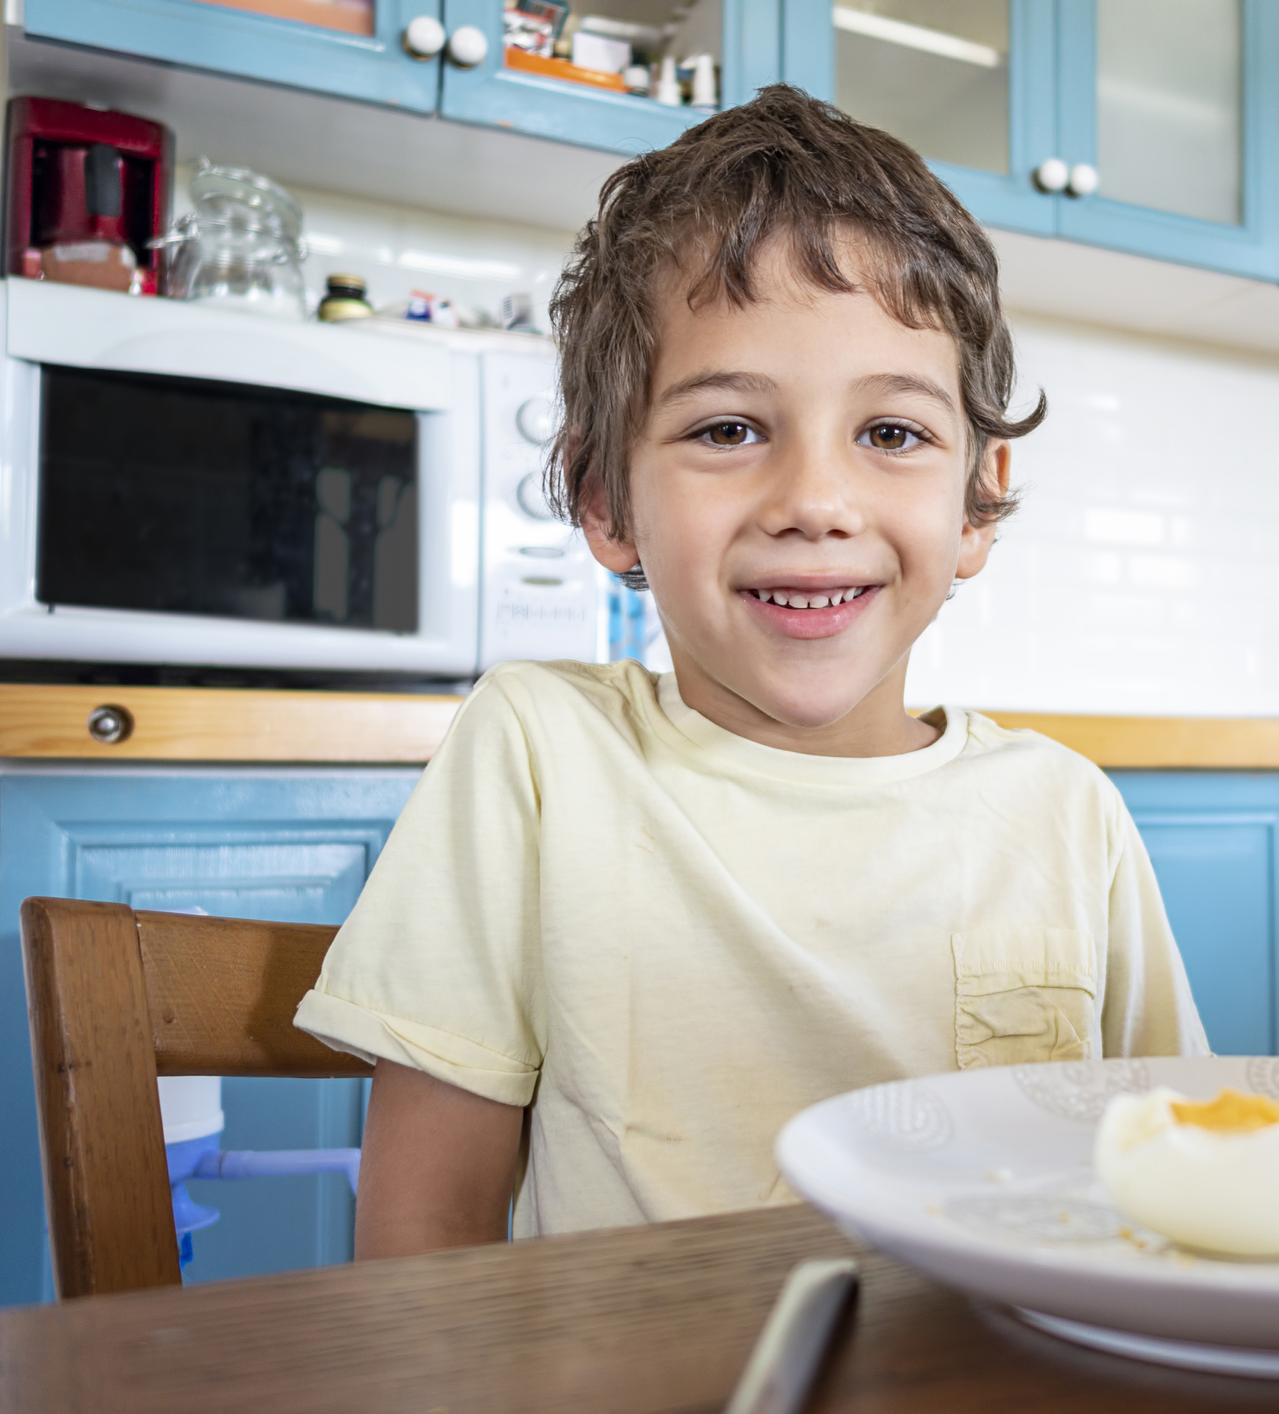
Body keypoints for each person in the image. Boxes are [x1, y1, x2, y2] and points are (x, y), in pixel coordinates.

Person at [294, 85, 1208, 1258]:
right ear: (603, 500)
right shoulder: (538, 755)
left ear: (978, 500)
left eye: (891, 433)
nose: (816, 504)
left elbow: (1166, 1195)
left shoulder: (1067, 815)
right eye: (728, 428)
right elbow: (425, 1237)